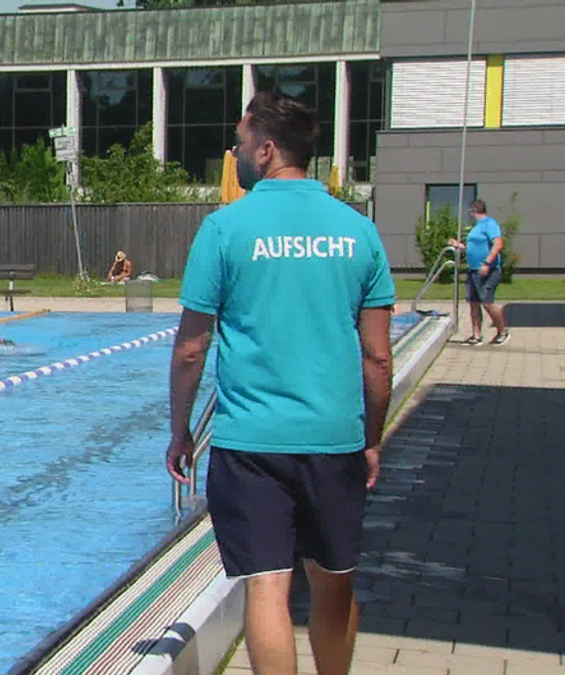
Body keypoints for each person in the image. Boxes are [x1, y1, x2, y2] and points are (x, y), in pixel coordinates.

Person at [167, 91, 395, 675]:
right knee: (334, 586)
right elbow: (376, 358)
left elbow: (193, 347)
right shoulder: (358, 231)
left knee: (267, 591)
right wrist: (370, 438)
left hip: (252, 444)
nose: (236, 151)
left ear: (266, 150)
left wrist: (181, 431)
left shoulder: (224, 228)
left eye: (241, 141)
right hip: (334, 437)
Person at [447, 200, 510, 346]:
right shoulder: (477, 228)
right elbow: (473, 247)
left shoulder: (490, 224)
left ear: (473, 211)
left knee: (487, 302)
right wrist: (459, 246)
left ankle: (502, 331)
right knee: (473, 302)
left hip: (488, 270)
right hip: (473, 270)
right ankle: (476, 335)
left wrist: (487, 263)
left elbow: (498, 244)